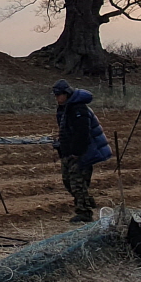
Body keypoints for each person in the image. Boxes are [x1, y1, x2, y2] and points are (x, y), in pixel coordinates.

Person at [52, 80, 112, 222]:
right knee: (68, 181)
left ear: (66, 94)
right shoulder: (65, 108)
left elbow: (82, 134)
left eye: (59, 95)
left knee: (77, 183)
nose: (57, 98)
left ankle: (84, 213)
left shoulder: (78, 109)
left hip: (81, 154)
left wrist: (77, 153)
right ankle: (86, 200)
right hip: (68, 152)